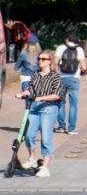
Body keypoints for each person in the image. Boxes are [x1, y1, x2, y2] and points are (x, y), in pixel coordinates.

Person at [16, 49, 63, 177]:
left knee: (46, 138)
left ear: (50, 61)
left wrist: (42, 98)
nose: (40, 61)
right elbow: (30, 89)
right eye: (39, 59)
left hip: (48, 108)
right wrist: (22, 94)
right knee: (29, 134)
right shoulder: (35, 74)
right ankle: (32, 159)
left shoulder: (55, 76)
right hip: (34, 107)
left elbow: (57, 95)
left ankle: (46, 167)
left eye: (43, 59)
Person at [55, 37, 87, 135]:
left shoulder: (60, 48)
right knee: (73, 104)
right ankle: (71, 128)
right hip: (74, 79)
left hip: (61, 78)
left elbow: (54, 64)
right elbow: (84, 67)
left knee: (61, 102)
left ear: (67, 38)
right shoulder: (79, 49)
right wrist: (84, 72)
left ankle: (61, 126)